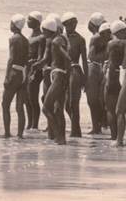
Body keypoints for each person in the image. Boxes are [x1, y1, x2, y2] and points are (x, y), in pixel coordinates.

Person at [36, 16, 70, 144]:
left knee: (46, 108)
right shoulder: (61, 39)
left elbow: (67, 58)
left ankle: (58, 137)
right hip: (60, 75)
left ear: (47, 30)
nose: (43, 34)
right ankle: (62, 138)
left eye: (43, 31)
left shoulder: (55, 41)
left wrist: (65, 75)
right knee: (58, 109)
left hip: (58, 76)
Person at [2, 14, 29, 138]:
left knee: (5, 104)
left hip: (14, 72)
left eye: (11, 23)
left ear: (14, 25)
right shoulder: (25, 40)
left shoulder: (13, 39)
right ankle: (20, 135)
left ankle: (7, 133)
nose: (10, 25)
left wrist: (7, 77)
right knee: (19, 107)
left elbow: (11, 59)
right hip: (23, 73)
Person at [62, 12, 87, 138]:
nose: (73, 25)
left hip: (75, 71)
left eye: (75, 23)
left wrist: (86, 79)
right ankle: (75, 127)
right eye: (71, 23)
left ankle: (75, 131)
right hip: (63, 72)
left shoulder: (80, 39)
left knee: (73, 102)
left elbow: (84, 60)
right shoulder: (61, 38)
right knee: (66, 104)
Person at [85, 12, 107, 134]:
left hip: (94, 68)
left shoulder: (95, 37)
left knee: (92, 99)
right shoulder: (106, 35)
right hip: (103, 68)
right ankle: (101, 124)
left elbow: (91, 56)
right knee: (100, 99)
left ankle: (96, 127)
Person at [25, 11, 44, 130]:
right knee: (27, 98)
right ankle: (29, 123)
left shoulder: (41, 37)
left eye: (30, 19)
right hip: (27, 69)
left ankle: (35, 124)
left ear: (37, 22)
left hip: (35, 70)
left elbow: (41, 56)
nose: (27, 21)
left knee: (32, 97)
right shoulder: (31, 35)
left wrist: (34, 68)